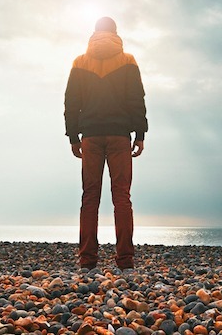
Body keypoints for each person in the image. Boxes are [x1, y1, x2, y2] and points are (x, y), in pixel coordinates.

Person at [64, 16, 147, 270]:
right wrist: (140, 134)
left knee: (90, 196)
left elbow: (71, 102)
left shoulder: (80, 61)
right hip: (119, 135)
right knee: (121, 197)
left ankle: (87, 260)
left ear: (95, 33)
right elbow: (136, 99)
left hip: (90, 136)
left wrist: (73, 136)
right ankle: (125, 261)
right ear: (115, 33)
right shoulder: (127, 60)